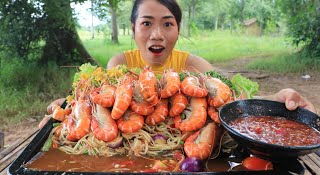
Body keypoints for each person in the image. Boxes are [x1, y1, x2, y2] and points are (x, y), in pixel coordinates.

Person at [39, 0, 315, 128]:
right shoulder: (120, 62)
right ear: (133, 28)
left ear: (178, 28)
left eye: (167, 24)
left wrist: (275, 103)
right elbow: (103, 103)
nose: (157, 34)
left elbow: (230, 94)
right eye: (147, 23)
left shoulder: (192, 64)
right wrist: (66, 109)